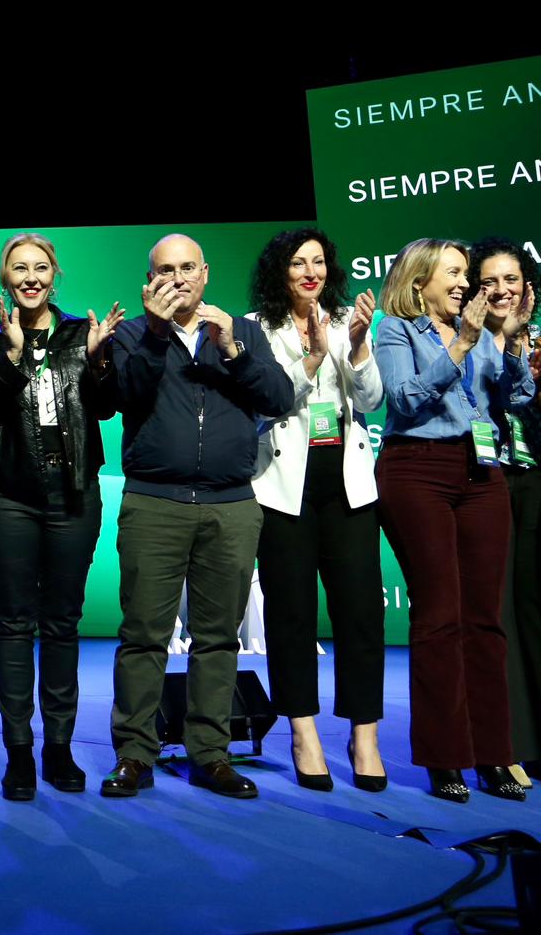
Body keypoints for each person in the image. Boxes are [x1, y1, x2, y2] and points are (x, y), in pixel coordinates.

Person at [102, 234, 294, 801]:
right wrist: (156, 332)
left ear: (205, 273)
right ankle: (134, 753)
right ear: (150, 280)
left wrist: (233, 351)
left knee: (218, 639)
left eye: (187, 267)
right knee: (144, 636)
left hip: (230, 504)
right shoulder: (132, 334)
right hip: (154, 502)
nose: (178, 278)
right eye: (166, 270)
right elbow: (125, 396)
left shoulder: (245, 331)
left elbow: (279, 399)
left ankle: (211, 753)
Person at [0, 233, 122, 800]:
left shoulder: (82, 334)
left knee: (61, 624)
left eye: (41, 268)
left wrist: (100, 361)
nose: (31, 277)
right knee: (13, 623)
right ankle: (18, 752)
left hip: (73, 498)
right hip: (8, 497)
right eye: (19, 269)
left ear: (55, 276)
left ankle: (58, 747)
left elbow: (107, 407)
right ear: (5, 279)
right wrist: (10, 357)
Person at [375, 238, 533, 801]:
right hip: (417, 468)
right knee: (440, 615)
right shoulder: (396, 330)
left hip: (482, 471)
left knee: (485, 620)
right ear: (420, 281)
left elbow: (516, 398)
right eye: (455, 273)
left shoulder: (482, 329)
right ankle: (445, 758)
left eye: (467, 273)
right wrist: (462, 343)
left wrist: (510, 342)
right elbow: (404, 400)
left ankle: (493, 754)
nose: (467, 283)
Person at [247, 229, 387, 792]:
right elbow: (265, 404)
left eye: (319, 262)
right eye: (298, 263)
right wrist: (312, 355)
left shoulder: (347, 318)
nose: (311, 272)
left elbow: (371, 399)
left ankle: (364, 736)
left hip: (348, 487)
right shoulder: (256, 329)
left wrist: (357, 345)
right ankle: (302, 732)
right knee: (292, 615)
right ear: (279, 272)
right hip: (284, 490)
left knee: (362, 614)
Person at [467, 237, 541, 787]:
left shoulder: (538, 343)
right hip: (484, 480)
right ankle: (509, 741)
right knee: (499, 611)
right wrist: (501, 345)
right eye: (488, 281)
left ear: (527, 286)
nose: (500, 290)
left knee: (536, 606)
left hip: (535, 478)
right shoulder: (462, 342)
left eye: (510, 280)